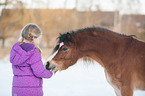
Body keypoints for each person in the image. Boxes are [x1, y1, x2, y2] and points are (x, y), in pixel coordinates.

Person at [10, 23, 53, 96]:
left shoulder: (16, 50)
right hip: (31, 91)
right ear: (34, 38)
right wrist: (50, 72)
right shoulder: (34, 52)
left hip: (17, 91)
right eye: (38, 38)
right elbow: (39, 72)